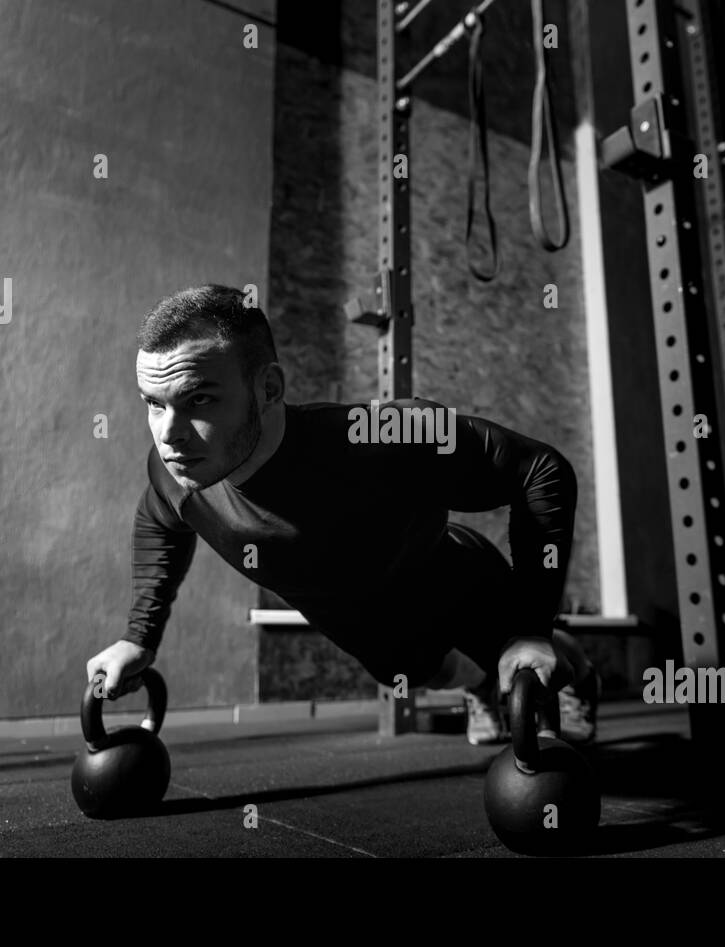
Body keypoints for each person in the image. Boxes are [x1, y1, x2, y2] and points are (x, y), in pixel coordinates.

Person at [86, 285, 600, 745]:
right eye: (153, 404)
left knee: (511, 641)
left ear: (268, 389)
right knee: (417, 669)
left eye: (198, 399)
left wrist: (533, 627)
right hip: (361, 627)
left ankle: (573, 671)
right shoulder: (176, 473)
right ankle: (483, 686)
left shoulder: (381, 438)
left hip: (443, 573)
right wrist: (139, 638)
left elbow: (539, 469)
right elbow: (158, 520)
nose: (169, 435)